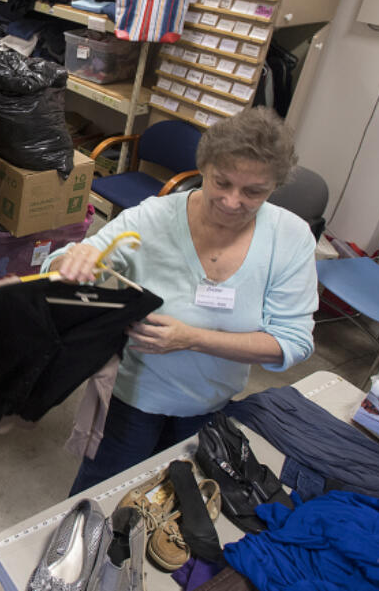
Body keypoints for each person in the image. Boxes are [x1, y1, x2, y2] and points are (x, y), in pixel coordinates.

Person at [44, 107, 317, 496]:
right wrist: (70, 261)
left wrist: (192, 338)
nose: (232, 201)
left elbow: (292, 343)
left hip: (212, 402)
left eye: (254, 191)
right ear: (203, 166)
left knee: (175, 502)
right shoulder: (154, 218)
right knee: (101, 496)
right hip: (134, 398)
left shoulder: (290, 238)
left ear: (275, 187)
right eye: (221, 182)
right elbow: (72, 260)